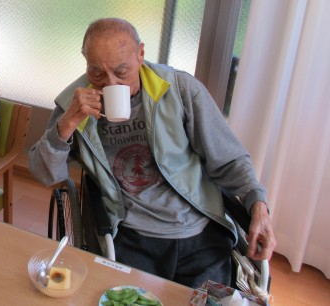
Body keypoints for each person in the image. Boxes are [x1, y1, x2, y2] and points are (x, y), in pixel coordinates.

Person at [28, 18, 276, 288]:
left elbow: (229, 158)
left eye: (121, 71)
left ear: (141, 54)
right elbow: (44, 173)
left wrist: (258, 206)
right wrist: (66, 126)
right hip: (131, 232)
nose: (110, 84)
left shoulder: (180, 89)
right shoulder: (75, 103)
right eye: (97, 73)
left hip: (198, 229)